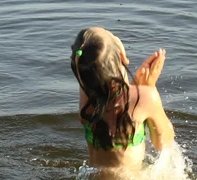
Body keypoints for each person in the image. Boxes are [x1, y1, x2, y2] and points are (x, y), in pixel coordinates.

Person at [70, 27, 174, 171]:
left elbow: (112, 101)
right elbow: (164, 142)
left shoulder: (86, 92)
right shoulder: (144, 97)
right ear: (122, 56)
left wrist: (136, 87)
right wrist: (149, 87)